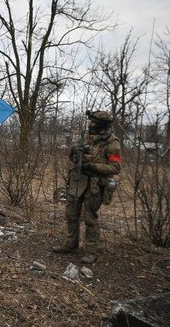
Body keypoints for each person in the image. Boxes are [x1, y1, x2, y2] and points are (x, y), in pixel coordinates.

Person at [52, 110, 122, 264]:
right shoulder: (88, 139)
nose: (91, 125)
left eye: (94, 122)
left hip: (95, 186)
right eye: (90, 122)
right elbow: (76, 157)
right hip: (78, 182)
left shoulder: (112, 143)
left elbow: (115, 167)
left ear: (102, 125)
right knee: (71, 214)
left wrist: (92, 166)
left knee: (90, 218)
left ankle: (91, 251)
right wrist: (75, 154)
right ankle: (71, 245)